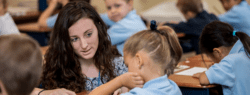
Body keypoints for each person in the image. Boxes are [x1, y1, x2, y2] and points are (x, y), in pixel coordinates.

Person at [32, 1, 128, 95]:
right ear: (65, 41)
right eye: (74, 39)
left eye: (89, 34)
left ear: (99, 29)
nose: (84, 45)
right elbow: (19, 89)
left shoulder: (119, 65)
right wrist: (44, 92)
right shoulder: (54, 66)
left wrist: (123, 89)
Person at [89, 20, 183, 95]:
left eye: (127, 65)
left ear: (139, 60)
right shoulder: (173, 86)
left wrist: (119, 81)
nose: (127, 69)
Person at [193, 21, 250, 95]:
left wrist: (203, 73)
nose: (214, 62)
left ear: (217, 52)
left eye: (212, 58)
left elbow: (204, 80)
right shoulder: (246, 49)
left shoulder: (230, 62)